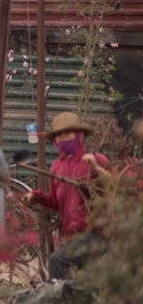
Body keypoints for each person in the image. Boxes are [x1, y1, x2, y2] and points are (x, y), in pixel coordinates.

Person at [30, 112, 112, 280]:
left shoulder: (94, 160)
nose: (63, 137)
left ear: (79, 134)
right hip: (71, 238)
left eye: (67, 133)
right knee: (79, 281)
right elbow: (54, 202)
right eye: (58, 135)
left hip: (96, 235)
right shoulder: (56, 168)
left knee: (56, 260)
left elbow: (116, 185)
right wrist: (36, 197)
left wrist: (97, 168)